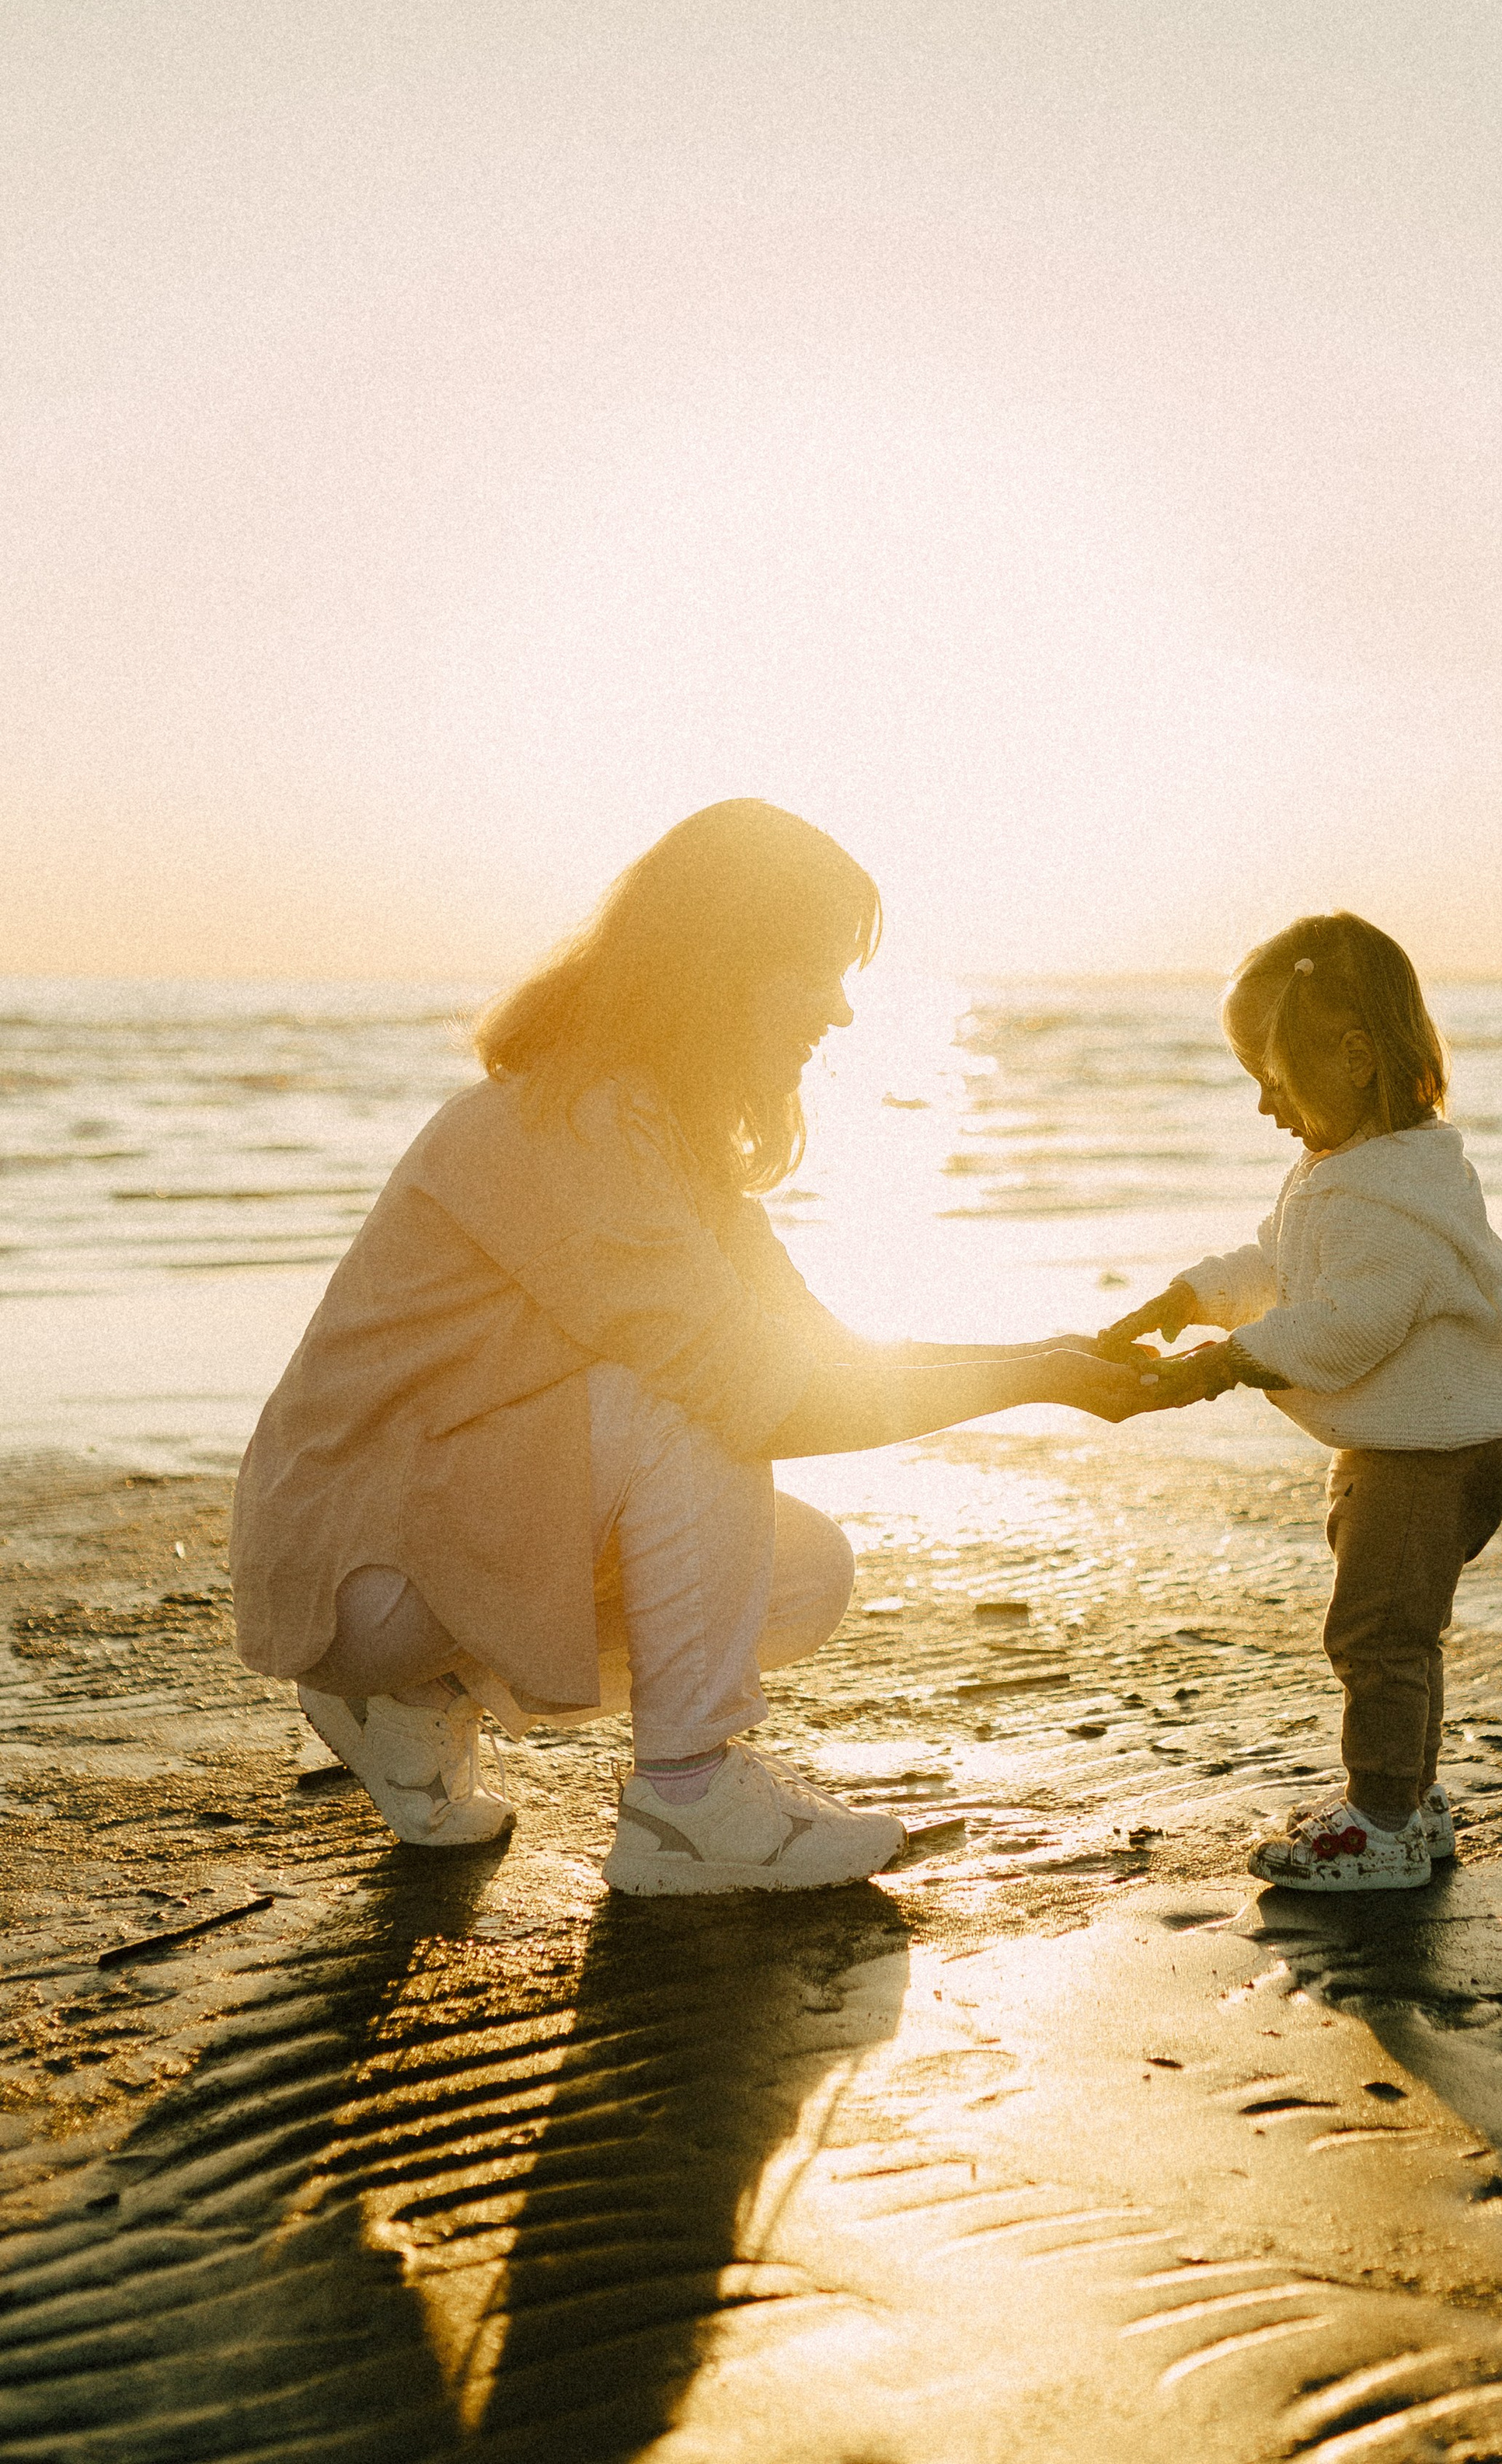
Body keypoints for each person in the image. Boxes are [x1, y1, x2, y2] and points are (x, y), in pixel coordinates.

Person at [230, 801, 1188, 1896]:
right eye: (817, 969)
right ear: (720, 967)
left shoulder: (669, 1137)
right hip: (354, 1561)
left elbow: (823, 1353)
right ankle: (686, 1806)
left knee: (802, 1572)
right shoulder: (576, 1121)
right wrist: (1032, 1380)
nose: (837, 1010)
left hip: (436, 1537)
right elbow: (756, 1399)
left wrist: (1046, 1367)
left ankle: (406, 1703)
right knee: (691, 1403)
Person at [1099, 910, 1502, 1893]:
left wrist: (1228, 1360)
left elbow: (1347, 1324)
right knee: (1400, 1630)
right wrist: (1193, 1296)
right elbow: (1282, 1263)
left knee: (1376, 1635)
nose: (1263, 1107)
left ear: (1356, 1057)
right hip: (1417, 1447)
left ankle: (1379, 1819)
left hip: (1424, 1460)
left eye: (1273, 1080)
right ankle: (1410, 1805)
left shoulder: (1389, 1199)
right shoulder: (1360, 1170)